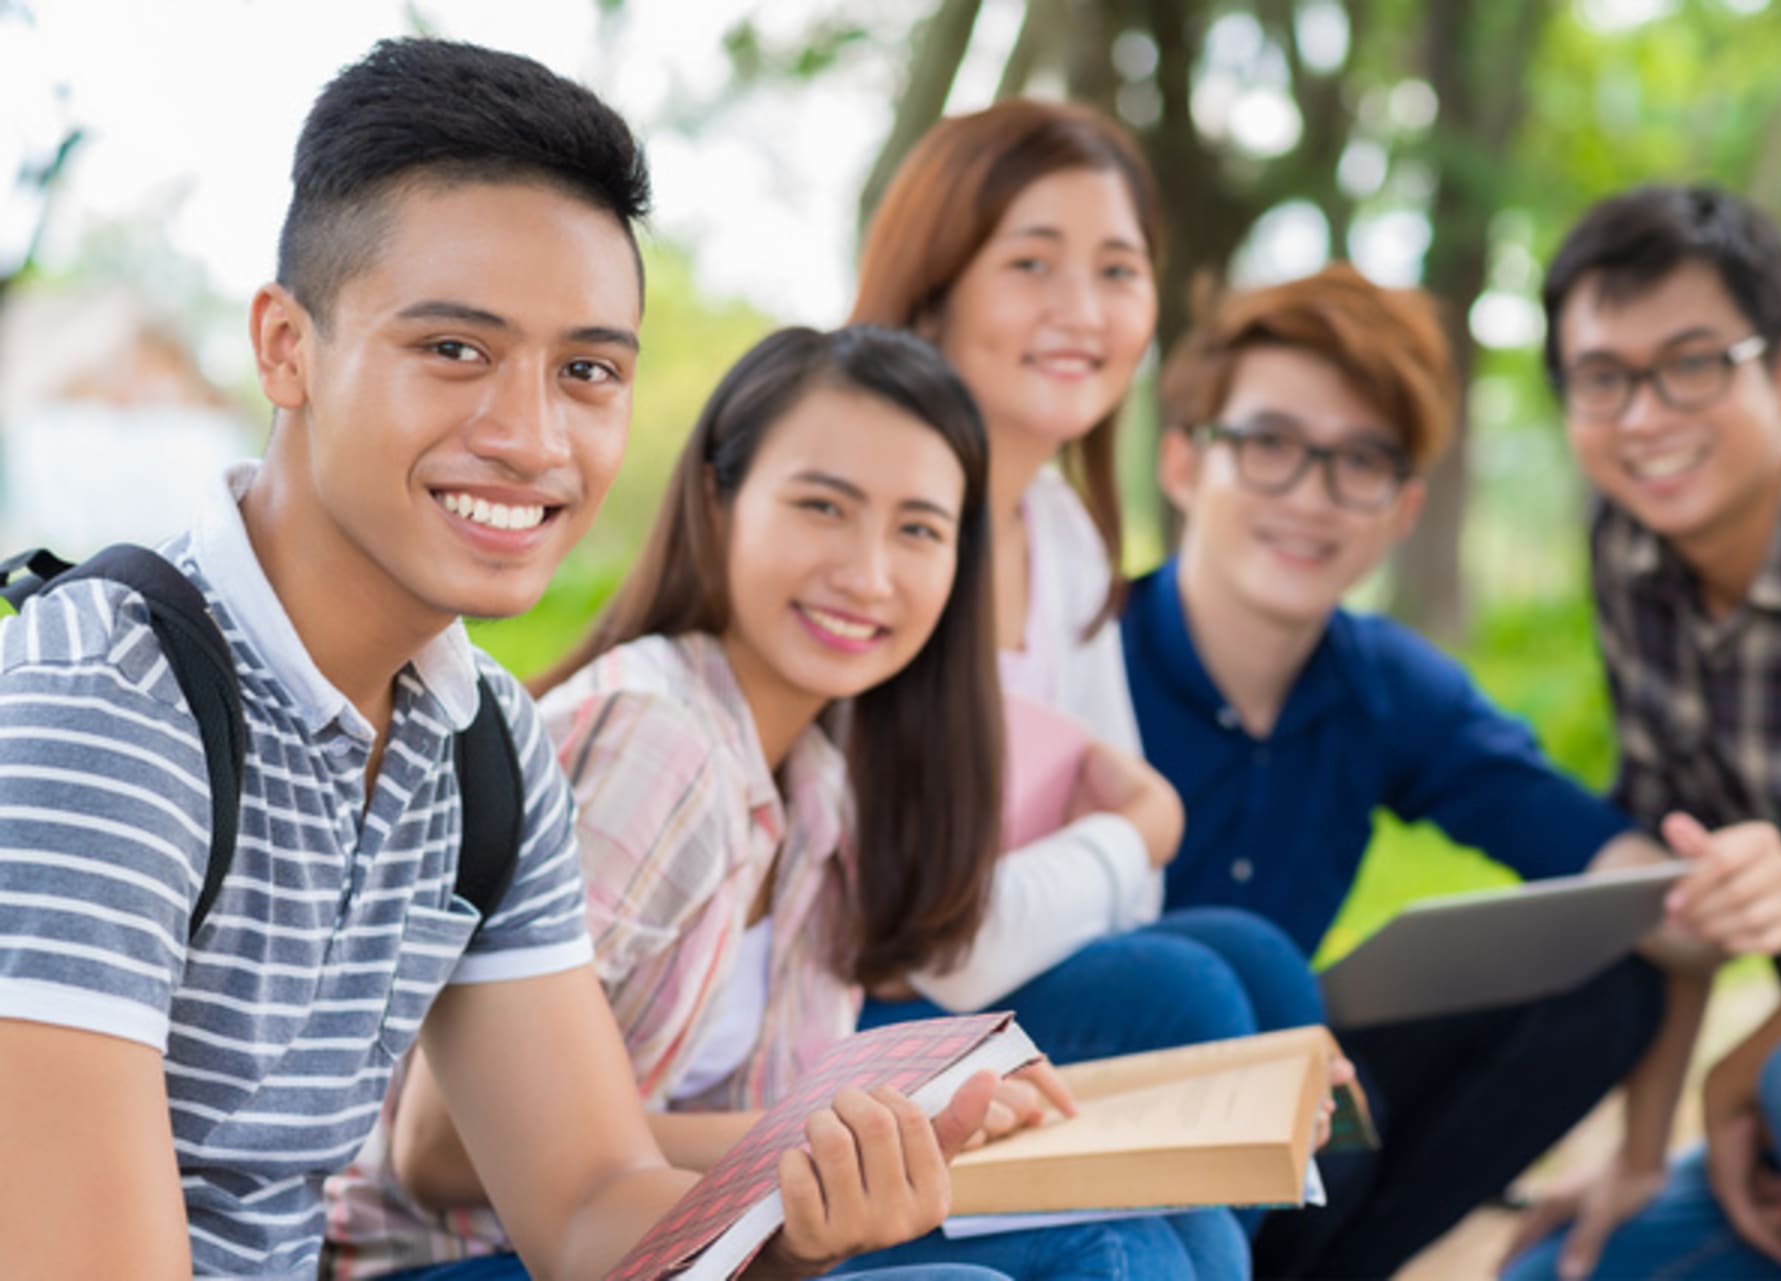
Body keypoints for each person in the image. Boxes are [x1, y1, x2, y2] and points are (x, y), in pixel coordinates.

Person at [0, 40, 1007, 1281]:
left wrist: (801, 1221)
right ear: (284, 348)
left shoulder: (481, 744)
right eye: (454, 352)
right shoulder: (106, 707)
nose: (531, 439)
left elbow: (587, 1204)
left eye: (586, 372)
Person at [323, 324, 1213, 1281]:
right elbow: (438, 1150)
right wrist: (818, 1136)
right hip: (463, 1260)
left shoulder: (821, 784)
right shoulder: (655, 737)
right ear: (719, 499)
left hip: (694, 1241)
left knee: (1159, 1228)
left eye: (918, 528)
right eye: (823, 506)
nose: (868, 574)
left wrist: (906, 1113)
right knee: (1092, 1255)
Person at [1120, 264, 1781, 1279]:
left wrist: (1722, 891)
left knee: (1610, 985)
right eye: (1269, 446)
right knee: (1278, 1047)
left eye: (1359, 462)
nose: (1312, 496)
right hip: (1073, 1089)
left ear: (1403, 507)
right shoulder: (1083, 654)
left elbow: (1607, 865)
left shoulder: (1386, 687)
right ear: (1184, 464)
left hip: (1283, 1113)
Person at [848, 96, 1325, 1065]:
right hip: (831, 1021)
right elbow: (931, 948)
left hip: (988, 982)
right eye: (1030, 264)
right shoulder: (870, 533)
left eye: (1118, 271)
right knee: (1182, 992)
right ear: (933, 289)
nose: (1084, 313)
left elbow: (1137, 881)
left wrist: (1124, 843)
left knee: (1259, 966)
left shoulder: (1060, 533)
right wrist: (1134, 832)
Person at [1503, 185, 1781, 1280]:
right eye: (1602, 378)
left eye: (1691, 362)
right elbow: (1679, 890)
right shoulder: (1634, 559)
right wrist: (1641, 1156)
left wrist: (1734, 1080)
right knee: (1568, 1268)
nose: (1644, 416)